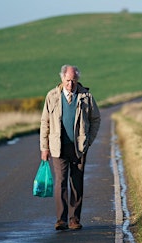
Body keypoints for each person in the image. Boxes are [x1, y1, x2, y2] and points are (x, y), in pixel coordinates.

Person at [40, 64, 101, 230]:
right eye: (68, 80)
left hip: (79, 148)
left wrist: (88, 141)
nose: (70, 84)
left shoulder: (86, 97)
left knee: (76, 182)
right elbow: (44, 122)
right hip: (58, 147)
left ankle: (74, 219)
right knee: (61, 182)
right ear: (62, 79)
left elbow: (96, 119)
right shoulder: (52, 96)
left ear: (77, 80)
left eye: (74, 81)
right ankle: (61, 220)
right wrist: (44, 148)